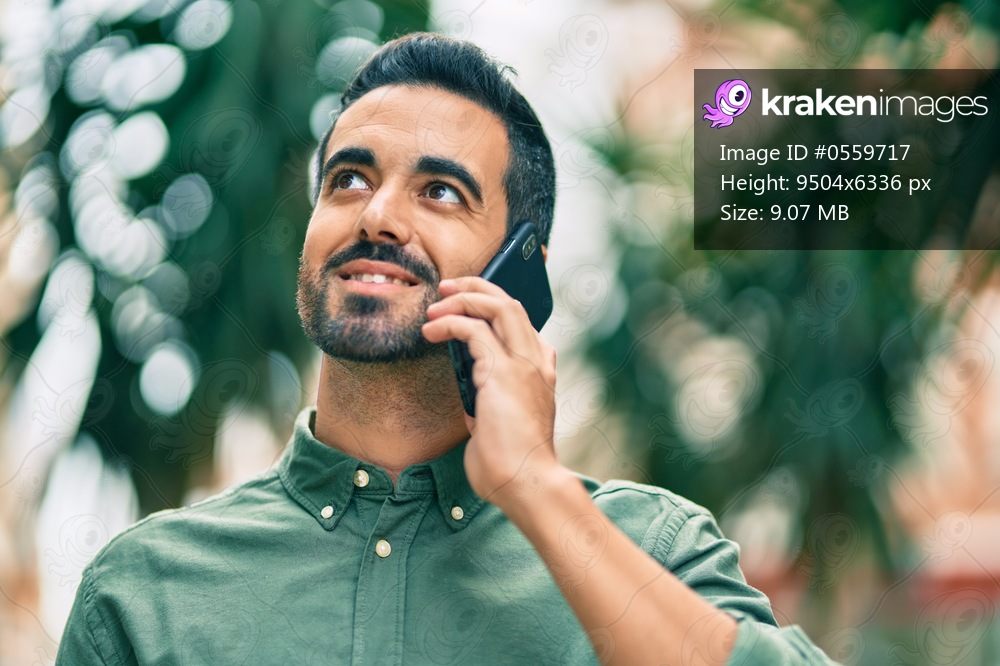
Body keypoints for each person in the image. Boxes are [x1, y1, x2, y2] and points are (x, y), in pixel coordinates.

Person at [57, 33, 837, 665]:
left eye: (439, 192)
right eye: (349, 180)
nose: (379, 216)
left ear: (516, 269)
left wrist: (534, 485)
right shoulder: (142, 594)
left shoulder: (653, 551)